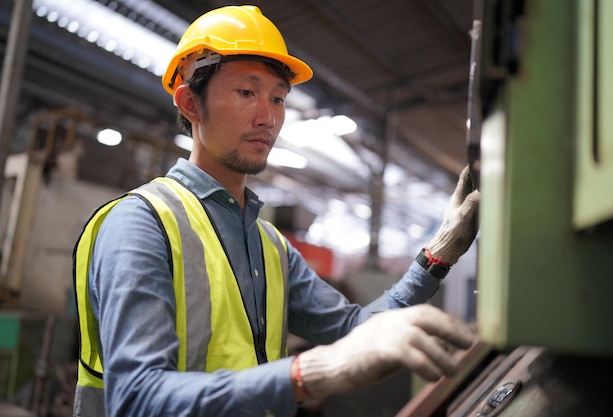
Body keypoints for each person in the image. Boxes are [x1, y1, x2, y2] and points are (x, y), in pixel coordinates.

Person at [72, 5, 480, 417]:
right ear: (191, 103)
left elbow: (357, 331)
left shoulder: (269, 246)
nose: (268, 117)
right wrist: (306, 375)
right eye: (247, 93)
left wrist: (437, 257)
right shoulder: (141, 225)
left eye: (278, 98)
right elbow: (135, 396)